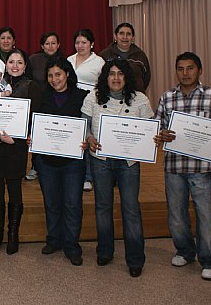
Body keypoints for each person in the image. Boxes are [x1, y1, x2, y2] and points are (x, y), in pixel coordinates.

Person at [153, 52, 211, 281]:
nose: (185, 73)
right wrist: (161, 134)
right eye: (180, 69)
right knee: (176, 216)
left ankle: (210, 261)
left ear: (200, 70)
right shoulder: (167, 98)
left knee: (205, 216)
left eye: (190, 68)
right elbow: (157, 128)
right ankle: (185, 251)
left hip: (202, 169)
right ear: (175, 71)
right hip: (174, 167)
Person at [81, 59, 153, 278]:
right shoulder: (93, 96)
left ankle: (135, 259)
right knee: (103, 207)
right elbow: (84, 125)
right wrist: (90, 138)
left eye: (120, 74)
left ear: (127, 77)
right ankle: (105, 251)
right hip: (100, 160)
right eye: (111, 73)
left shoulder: (140, 99)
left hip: (129, 163)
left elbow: (149, 128)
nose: (116, 78)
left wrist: (151, 139)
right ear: (105, 77)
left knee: (130, 209)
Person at [0, 49, 41, 255]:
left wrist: (16, 140)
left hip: (16, 148)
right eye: (11, 62)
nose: (15, 66)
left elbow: (35, 120)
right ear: (5, 64)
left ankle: (13, 235)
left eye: (19, 62)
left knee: (15, 191)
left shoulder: (31, 87)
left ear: (25, 66)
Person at [35, 57, 88, 265]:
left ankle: (71, 245)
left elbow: (89, 124)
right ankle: (54, 239)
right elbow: (35, 122)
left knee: (72, 204)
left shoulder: (82, 96)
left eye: (58, 74)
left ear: (67, 74)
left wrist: (86, 138)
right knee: (52, 202)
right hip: (47, 161)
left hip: (73, 161)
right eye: (50, 75)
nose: (54, 79)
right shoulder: (42, 96)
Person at [67, 28, 105, 191]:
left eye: (84, 42)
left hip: (91, 104)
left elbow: (103, 85)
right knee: (73, 138)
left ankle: (88, 177)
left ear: (92, 44)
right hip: (71, 102)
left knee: (87, 138)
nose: (80, 46)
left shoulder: (99, 62)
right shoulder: (69, 59)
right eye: (77, 42)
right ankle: (72, 174)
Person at [26, 31, 63, 181]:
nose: (50, 46)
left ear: (58, 45)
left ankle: (56, 166)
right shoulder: (34, 60)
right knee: (38, 135)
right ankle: (35, 166)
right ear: (42, 45)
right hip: (38, 103)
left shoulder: (63, 60)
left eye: (53, 43)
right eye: (47, 43)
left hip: (58, 103)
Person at [99, 22, 151, 92]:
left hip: (135, 97)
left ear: (133, 38)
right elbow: (100, 76)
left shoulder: (140, 55)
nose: (125, 37)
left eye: (128, 34)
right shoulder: (105, 55)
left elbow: (146, 78)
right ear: (115, 36)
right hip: (111, 97)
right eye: (121, 33)